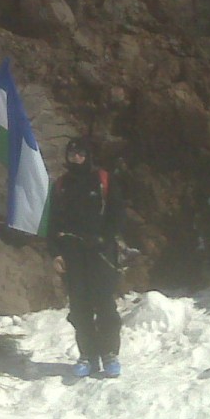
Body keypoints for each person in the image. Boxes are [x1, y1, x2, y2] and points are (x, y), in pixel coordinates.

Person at [49, 137, 125, 378]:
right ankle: (87, 355)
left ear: (88, 155)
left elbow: (117, 213)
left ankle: (109, 353)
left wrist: (105, 238)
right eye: (72, 154)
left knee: (104, 304)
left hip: (100, 253)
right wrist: (56, 253)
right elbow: (52, 222)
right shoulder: (62, 184)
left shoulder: (103, 180)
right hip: (73, 254)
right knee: (80, 306)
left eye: (81, 153)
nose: (76, 158)